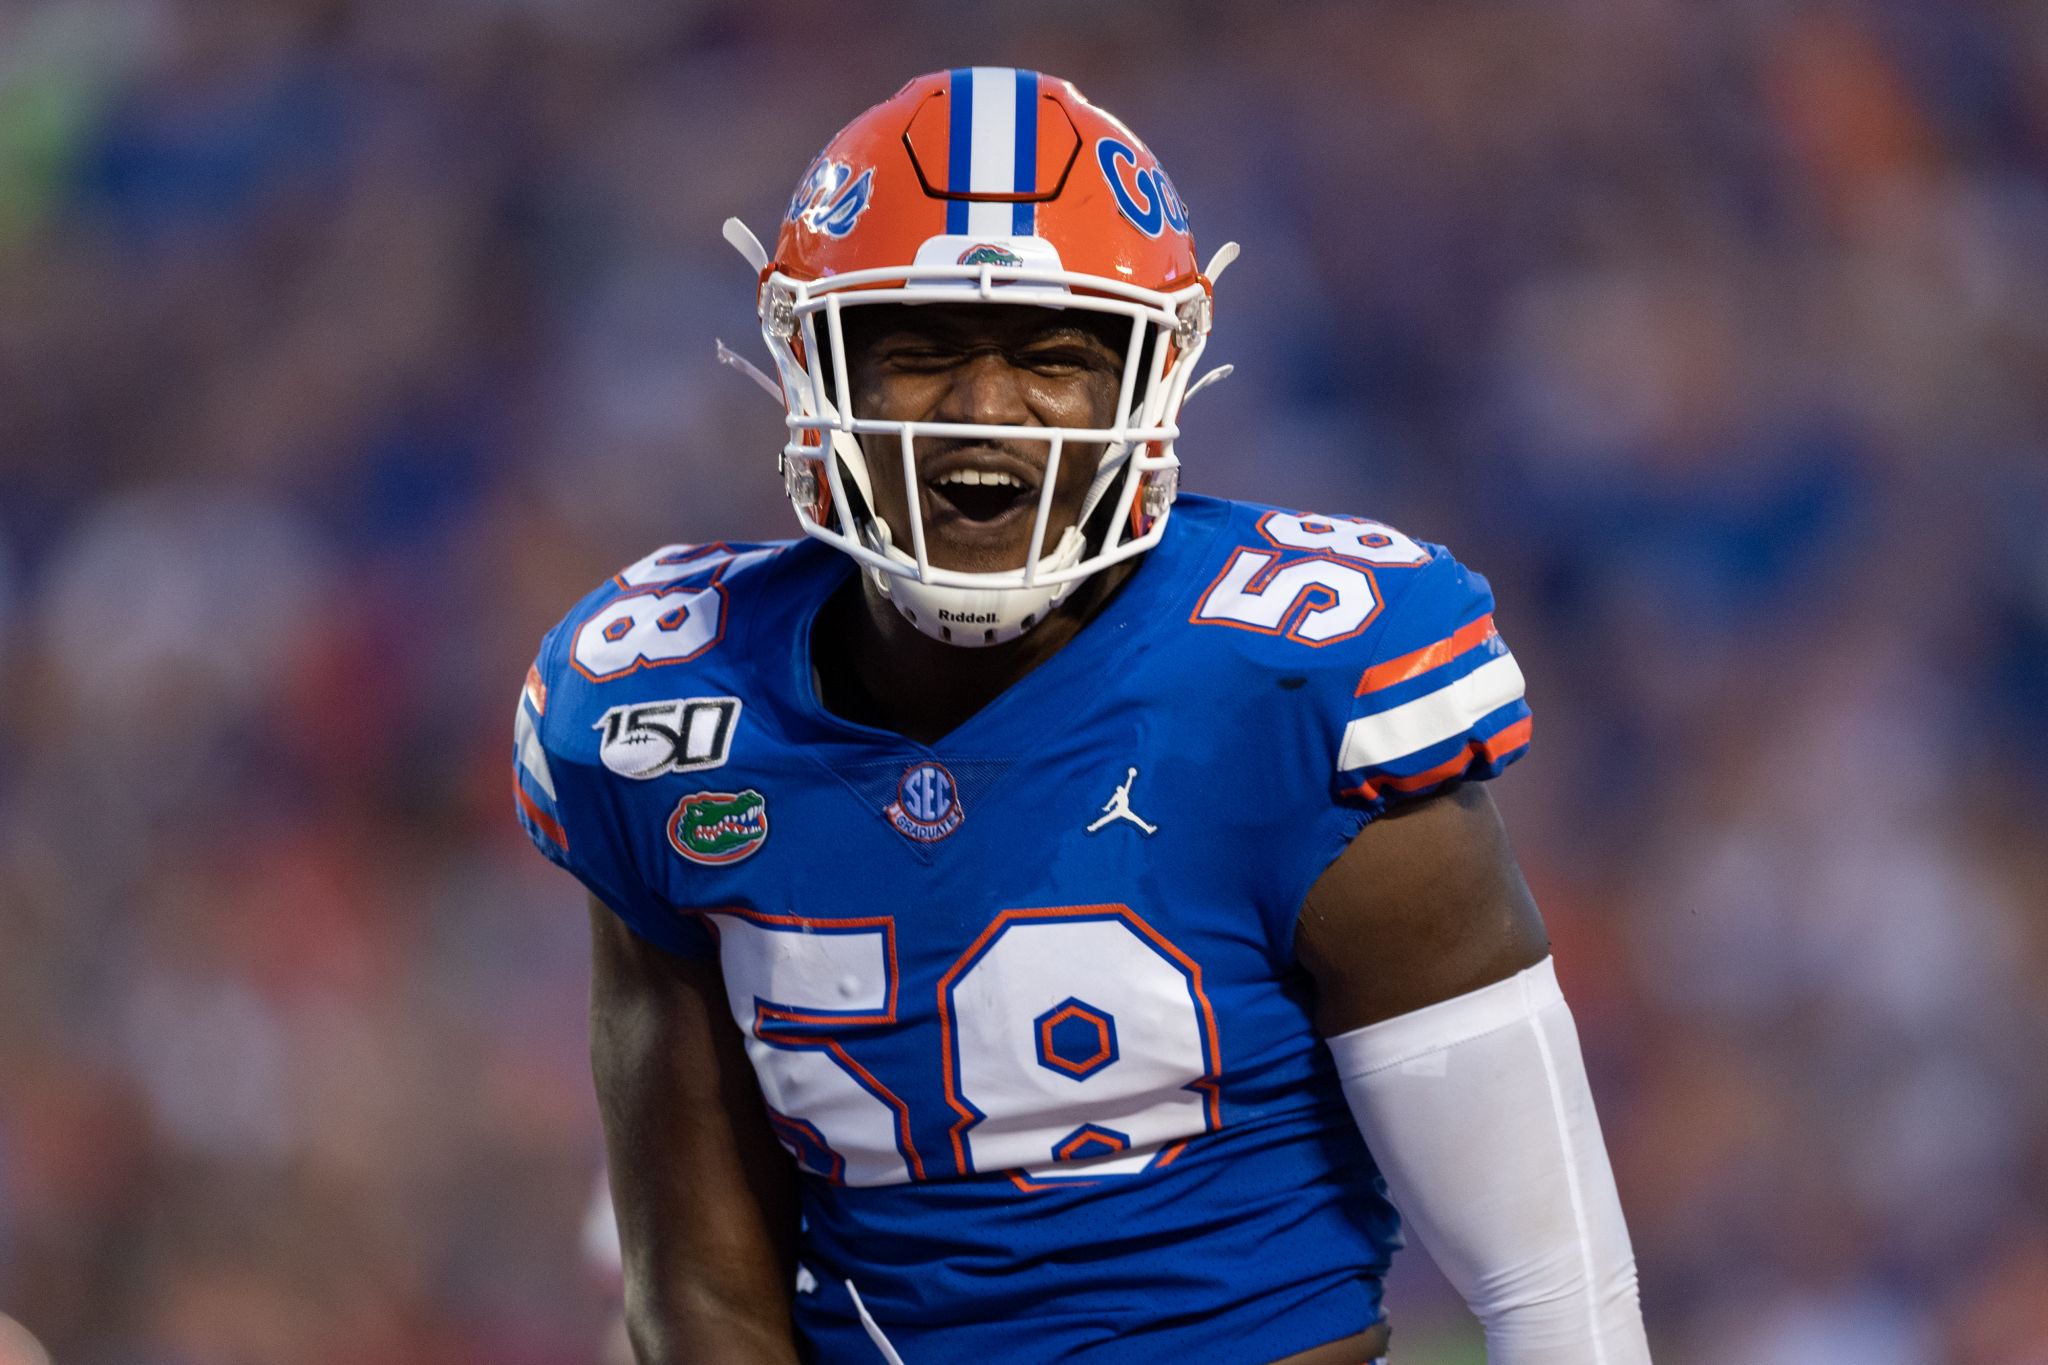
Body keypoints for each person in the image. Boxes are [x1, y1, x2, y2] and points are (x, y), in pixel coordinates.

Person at [515, 68, 1651, 1365]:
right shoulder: (662, 713)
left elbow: (1556, 1297)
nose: (985, 409)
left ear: (1154, 378)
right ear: (809, 367)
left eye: (1054, 355)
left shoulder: (1297, 687)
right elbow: (704, 1303)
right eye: (922, 350)